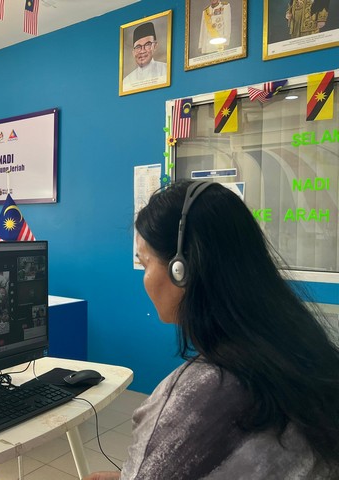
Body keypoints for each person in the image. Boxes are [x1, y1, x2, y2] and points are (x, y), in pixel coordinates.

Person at [84, 180, 339, 479]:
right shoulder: (302, 352)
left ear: (181, 270)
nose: (144, 278)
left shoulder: (196, 399)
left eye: (145, 263)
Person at [122, 22, 167, 90]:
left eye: (147, 45)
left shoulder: (166, 70)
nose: (142, 51)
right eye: (138, 47)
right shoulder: (126, 81)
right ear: (133, 53)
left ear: (155, 46)